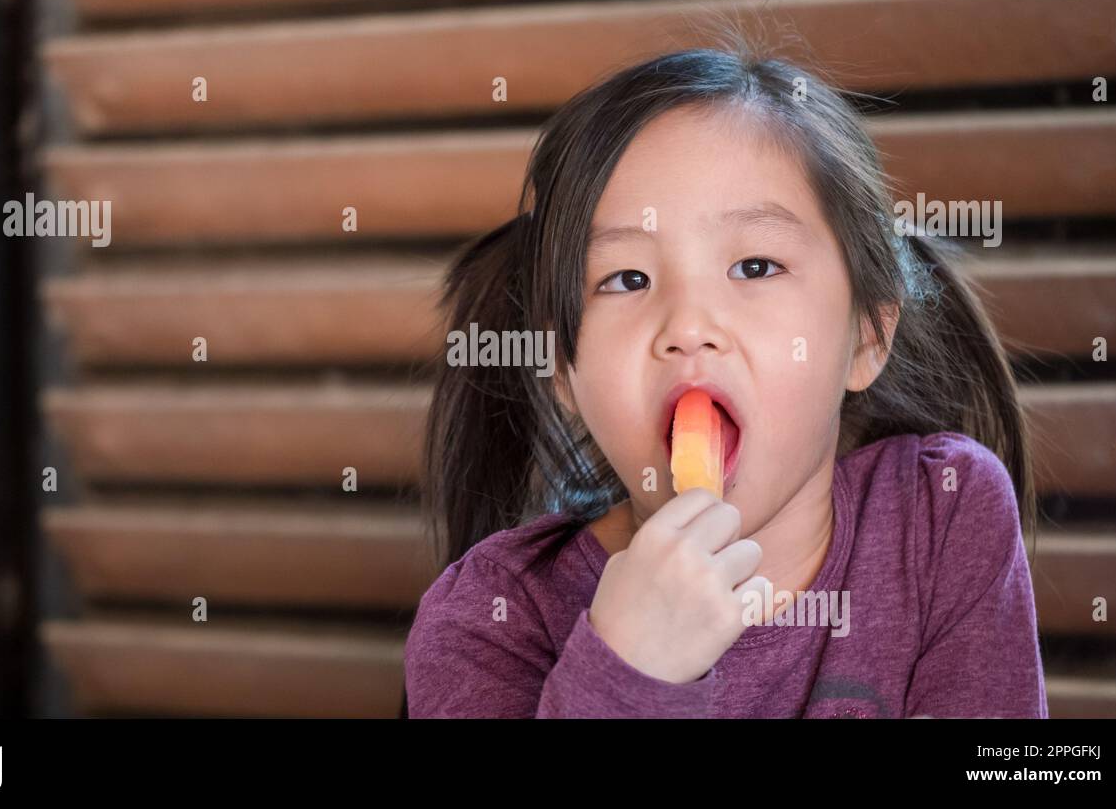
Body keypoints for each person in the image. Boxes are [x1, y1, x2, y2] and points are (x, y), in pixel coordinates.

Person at [403, 43, 1047, 718]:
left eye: (755, 266)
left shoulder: (941, 517)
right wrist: (629, 676)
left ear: (867, 335)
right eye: (627, 278)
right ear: (563, 366)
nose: (689, 324)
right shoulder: (486, 626)